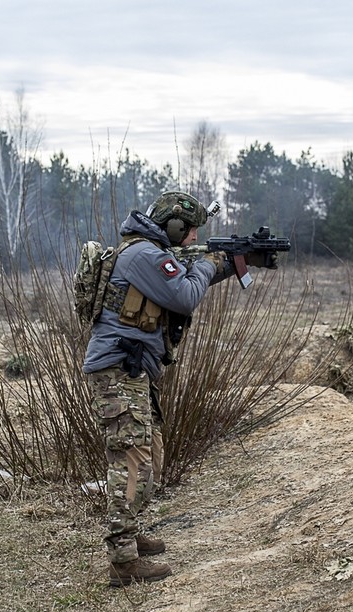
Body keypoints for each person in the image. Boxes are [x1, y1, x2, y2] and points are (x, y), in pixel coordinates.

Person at [82, 191, 240, 587]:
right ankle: (122, 561)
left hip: (132, 370)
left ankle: (130, 536)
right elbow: (184, 295)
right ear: (172, 225)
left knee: (151, 451)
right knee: (132, 459)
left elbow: (187, 275)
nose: (191, 238)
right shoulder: (144, 255)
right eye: (188, 231)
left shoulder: (151, 253)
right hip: (119, 369)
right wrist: (208, 264)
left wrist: (234, 261)